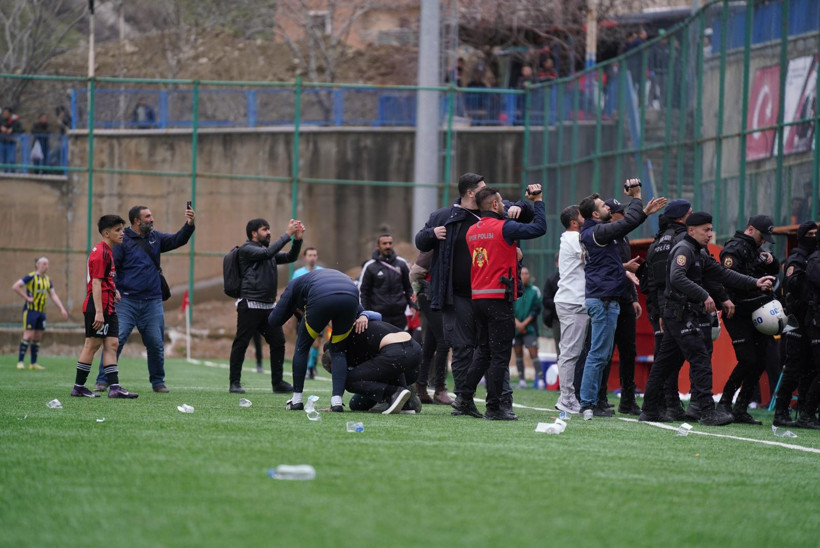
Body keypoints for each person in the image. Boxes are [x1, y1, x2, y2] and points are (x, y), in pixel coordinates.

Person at [640, 212, 775, 426]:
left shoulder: (699, 252)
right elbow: (677, 276)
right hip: (680, 314)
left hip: (679, 314)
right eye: (706, 230)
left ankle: (648, 410)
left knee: (664, 363)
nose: (710, 234)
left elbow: (722, 274)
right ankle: (707, 412)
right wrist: (704, 295)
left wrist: (755, 282)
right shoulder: (684, 249)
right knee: (700, 359)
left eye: (711, 229)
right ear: (691, 230)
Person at [415, 172, 533, 416]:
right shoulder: (443, 217)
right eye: (482, 187)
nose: (489, 191)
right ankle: (464, 400)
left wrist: (522, 206)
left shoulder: (496, 209)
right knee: (462, 347)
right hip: (457, 294)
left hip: (492, 293)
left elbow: (528, 216)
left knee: (495, 348)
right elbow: (421, 241)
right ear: (470, 192)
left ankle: (501, 400)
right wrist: (432, 233)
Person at [578, 180, 666, 420]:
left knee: (601, 354)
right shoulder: (597, 232)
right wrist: (636, 196)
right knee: (598, 355)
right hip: (603, 300)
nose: (608, 207)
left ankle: (592, 401)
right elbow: (627, 223)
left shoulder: (595, 231)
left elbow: (626, 225)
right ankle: (588, 403)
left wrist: (643, 213)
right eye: (603, 206)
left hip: (607, 299)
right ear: (596, 214)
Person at [462, 184, 546, 420]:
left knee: (484, 353)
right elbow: (540, 228)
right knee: (500, 356)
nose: (505, 206)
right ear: (495, 204)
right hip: (498, 298)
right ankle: (494, 407)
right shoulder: (504, 227)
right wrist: (538, 201)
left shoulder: (472, 230)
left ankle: (464, 399)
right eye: (501, 202)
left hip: (478, 297)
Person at [93, 204, 195, 393]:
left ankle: (158, 382)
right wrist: (114, 289)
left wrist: (189, 224)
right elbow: (112, 269)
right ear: (137, 221)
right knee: (115, 341)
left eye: (151, 215)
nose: (152, 219)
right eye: (148, 216)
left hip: (152, 302)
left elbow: (177, 240)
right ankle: (103, 380)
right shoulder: (122, 240)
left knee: (156, 344)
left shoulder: (156, 238)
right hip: (126, 302)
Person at [268, 268, 364, 412]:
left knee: (302, 347)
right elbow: (354, 304)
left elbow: (274, 321)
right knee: (338, 351)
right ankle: (337, 402)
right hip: (350, 294)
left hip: (322, 296)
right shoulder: (322, 278)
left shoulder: (293, 285)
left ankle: (296, 400)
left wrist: (290, 309)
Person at [715, 215, 780, 425]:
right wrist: (754, 282)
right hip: (736, 312)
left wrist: (771, 261)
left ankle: (741, 408)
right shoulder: (734, 249)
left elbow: (774, 271)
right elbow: (728, 277)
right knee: (747, 359)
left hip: (756, 311)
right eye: (762, 236)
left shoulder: (756, 250)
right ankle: (725, 403)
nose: (763, 242)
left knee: (761, 359)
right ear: (751, 229)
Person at [228, 218, 303, 394]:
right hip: (250, 304)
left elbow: (290, 257)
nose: (268, 232)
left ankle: (278, 383)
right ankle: (234, 383)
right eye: (264, 229)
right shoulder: (247, 249)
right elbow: (268, 253)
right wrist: (287, 234)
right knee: (241, 343)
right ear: (254, 233)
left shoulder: (267, 252)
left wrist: (297, 240)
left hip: (268, 306)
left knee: (278, 342)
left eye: (269, 229)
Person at [70, 215, 138, 399]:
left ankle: (114, 388)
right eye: (118, 230)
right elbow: (96, 283)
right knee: (92, 345)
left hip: (108, 306)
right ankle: (78, 387)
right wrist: (99, 312)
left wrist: (114, 290)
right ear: (106, 233)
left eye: (122, 229)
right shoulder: (101, 252)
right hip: (98, 306)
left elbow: (105, 279)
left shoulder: (108, 251)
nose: (122, 233)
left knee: (112, 344)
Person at [640, 199, 692, 420]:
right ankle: (668, 404)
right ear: (681, 217)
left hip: (660, 306)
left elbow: (651, 281)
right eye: (690, 212)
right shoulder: (683, 240)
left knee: (666, 356)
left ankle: (667, 404)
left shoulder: (657, 241)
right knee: (674, 357)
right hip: (677, 305)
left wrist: (657, 310)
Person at [323, 317, 421, 415]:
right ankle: (406, 402)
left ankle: (394, 393)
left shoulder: (344, 345)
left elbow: (347, 379)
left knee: (349, 381)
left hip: (398, 359)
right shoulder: (355, 331)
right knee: (356, 404)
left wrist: (335, 404)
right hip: (415, 354)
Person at [601, 199, 643, 415]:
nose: (624, 215)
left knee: (629, 351)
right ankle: (599, 397)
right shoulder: (602, 236)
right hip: (607, 299)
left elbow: (629, 274)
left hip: (625, 299)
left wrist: (634, 297)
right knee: (604, 351)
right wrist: (625, 267)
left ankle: (628, 398)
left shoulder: (624, 237)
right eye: (620, 212)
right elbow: (603, 268)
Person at [773, 221, 817, 427]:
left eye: (816, 233)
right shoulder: (797, 258)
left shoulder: (814, 257)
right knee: (793, 366)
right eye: (810, 234)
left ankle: (806, 412)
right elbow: (791, 284)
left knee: (810, 366)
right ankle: (780, 412)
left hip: (810, 319)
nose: (814, 237)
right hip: (795, 318)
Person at [553, 205, 587, 414]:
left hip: (572, 301)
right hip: (572, 302)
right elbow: (589, 257)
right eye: (583, 215)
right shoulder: (574, 238)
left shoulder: (570, 238)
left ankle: (568, 396)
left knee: (571, 351)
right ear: (574, 222)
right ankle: (566, 397)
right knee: (569, 352)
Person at [409, 250, 453, 405]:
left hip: (436, 296)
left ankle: (420, 387)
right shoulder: (433, 248)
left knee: (430, 343)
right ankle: (439, 389)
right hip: (430, 296)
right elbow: (414, 273)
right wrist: (417, 289)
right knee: (444, 341)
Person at [12, 257, 68, 370]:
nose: (46, 266)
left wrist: (62, 308)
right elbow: (16, 286)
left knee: (37, 337)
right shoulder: (31, 276)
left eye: (47, 264)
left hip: (42, 312)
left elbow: (53, 295)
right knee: (28, 335)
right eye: (44, 264)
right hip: (31, 311)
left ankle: (33, 363)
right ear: (37, 265)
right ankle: (20, 362)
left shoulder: (47, 279)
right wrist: (27, 297)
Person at [359, 234, 414, 329]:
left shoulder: (401, 263)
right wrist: (365, 313)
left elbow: (409, 287)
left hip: (399, 315)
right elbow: (364, 292)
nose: (388, 246)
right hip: (378, 315)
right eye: (384, 243)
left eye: (390, 243)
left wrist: (412, 305)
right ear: (378, 246)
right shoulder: (370, 266)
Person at [291, 246, 324, 378]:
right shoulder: (298, 273)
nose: (312, 258)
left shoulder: (322, 272)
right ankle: (305, 368)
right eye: (310, 255)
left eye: (314, 255)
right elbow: (292, 293)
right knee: (304, 342)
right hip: (302, 313)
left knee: (316, 342)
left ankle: (311, 366)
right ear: (305, 257)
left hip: (319, 312)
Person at [513, 267, 542, 388]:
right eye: (522, 273)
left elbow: (536, 309)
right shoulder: (513, 290)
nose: (525, 275)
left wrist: (524, 324)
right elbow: (509, 308)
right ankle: (522, 381)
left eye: (527, 273)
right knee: (518, 353)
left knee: (533, 352)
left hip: (530, 328)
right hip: (515, 328)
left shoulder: (535, 291)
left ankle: (540, 381)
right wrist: (517, 323)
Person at [542, 255, 560, 358]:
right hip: (557, 319)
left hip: (574, 318)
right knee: (560, 349)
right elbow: (546, 300)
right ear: (556, 263)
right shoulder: (552, 280)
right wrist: (560, 303)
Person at [1, 107, 24, 172]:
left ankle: (13, 172)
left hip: (11, 142)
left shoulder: (15, 121)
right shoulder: (1, 121)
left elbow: (21, 130)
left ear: (10, 114)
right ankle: (5, 173)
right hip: (2, 142)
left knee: (12, 159)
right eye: (4, 113)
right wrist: (1, 128)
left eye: (6, 113)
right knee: (4, 159)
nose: (5, 114)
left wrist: (12, 129)